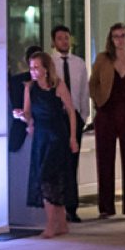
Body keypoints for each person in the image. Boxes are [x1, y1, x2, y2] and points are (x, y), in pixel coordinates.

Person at [15, 49, 78, 238]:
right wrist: (20, 116)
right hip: (41, 138)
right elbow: (28, 116)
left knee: (50, 179)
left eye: (36, 67)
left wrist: (73, 137)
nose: (33, 71)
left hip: (56, 137)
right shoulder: (30, 88)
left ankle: (52, 224)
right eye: (31, 68)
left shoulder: (57, 85)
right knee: (47, 181)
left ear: (46, 69)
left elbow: (71, 112)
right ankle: (60, 223)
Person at [90, 23, 125, 220]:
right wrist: (99, 102)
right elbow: (93, 84)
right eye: (116, 36)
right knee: (105, 160)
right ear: (111, 39)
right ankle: (106, 207)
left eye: (123, 35)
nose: (120, 39)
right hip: (106, 113)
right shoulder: (103, 59)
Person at [49, 24, 91, 221]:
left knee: (72, 163)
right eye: (60, 38)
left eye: (66, 38)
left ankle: (72, 207)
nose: (64, 41)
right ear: (53, 42)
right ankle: (57, 206)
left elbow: (84, 91)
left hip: (75, 117)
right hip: (57, 117)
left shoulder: (79, 63)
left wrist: (83, 115)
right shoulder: (50, 63)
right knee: (58, 163)